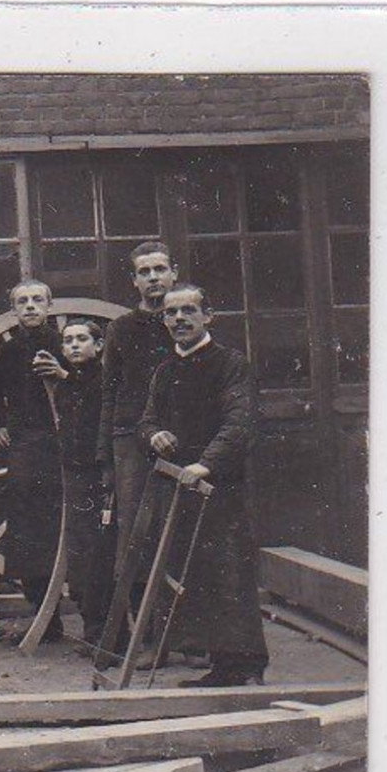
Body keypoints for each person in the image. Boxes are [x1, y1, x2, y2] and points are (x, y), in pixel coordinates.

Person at [138, 284, 269, 687]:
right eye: (171, 314)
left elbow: (239, 423)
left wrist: (206, 464)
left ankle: (245, 667)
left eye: (188, 311)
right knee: (194, 575)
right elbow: (145, 421)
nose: (179, 320)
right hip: (180, 487)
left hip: (220, 487)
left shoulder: (230, 363)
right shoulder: (165, 370)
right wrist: (154, 435)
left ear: (207, 316)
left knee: (229, 573)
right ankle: (221, 666)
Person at [0, 279, 65, 642]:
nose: (30, 307)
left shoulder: (66, 343)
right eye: (22, 302)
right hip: (26, 450)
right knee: (29, 532)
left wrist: (64, 376)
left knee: (66, 528)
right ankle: (45, 615)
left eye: (37, 300)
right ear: (13, 310)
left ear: (49, 306)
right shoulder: (6, 353)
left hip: (64, 448)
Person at [34, 318, 113, 652]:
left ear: (99, 346)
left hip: (102, 477)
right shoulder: (66, 387)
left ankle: (111, 634)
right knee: (82, 557)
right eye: (68, 341)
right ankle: (94, 630)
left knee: (104, 556)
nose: (74, 345)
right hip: (76, 478)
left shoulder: (107, 383)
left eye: (83, 339)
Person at [98, 241, 178, 563]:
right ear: (134, 281)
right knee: (134, 530)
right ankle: (137, 609)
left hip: (179, 435)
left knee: (179, 525)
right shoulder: (120, 329)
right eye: (144, 272)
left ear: (173, 273)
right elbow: (109, 392)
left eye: (160, 269)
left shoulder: (184, 321)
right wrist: (105, 455)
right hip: (130, 440)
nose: (153, 278)